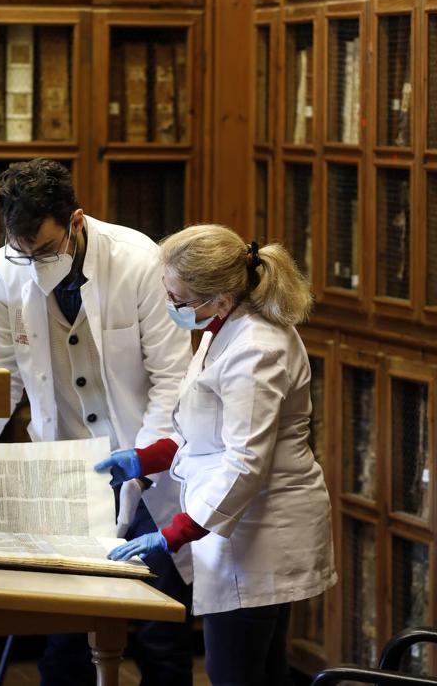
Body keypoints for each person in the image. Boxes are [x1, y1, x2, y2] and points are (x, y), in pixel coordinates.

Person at [0, 158, 194, 686]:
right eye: (22, 251)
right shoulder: (5, 267)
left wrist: (141, 465)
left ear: (75, 221)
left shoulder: (139, 261)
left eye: (45, 250)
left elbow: (171, 379)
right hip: (66, 468)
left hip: (145, 463)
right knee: (64, 634)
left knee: (159, 633)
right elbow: (1, 376)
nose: (34, 263)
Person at [96, 224, 338, 686]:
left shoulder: (257, 349)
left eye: (178, 300)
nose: (171, 306)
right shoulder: (221, 327)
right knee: (259, 672)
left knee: (235, 674)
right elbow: (204, 431)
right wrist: (145, 459)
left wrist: (175, 534)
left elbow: (245, 462)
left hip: (259, 533)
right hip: (241, 525)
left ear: (220, 300)